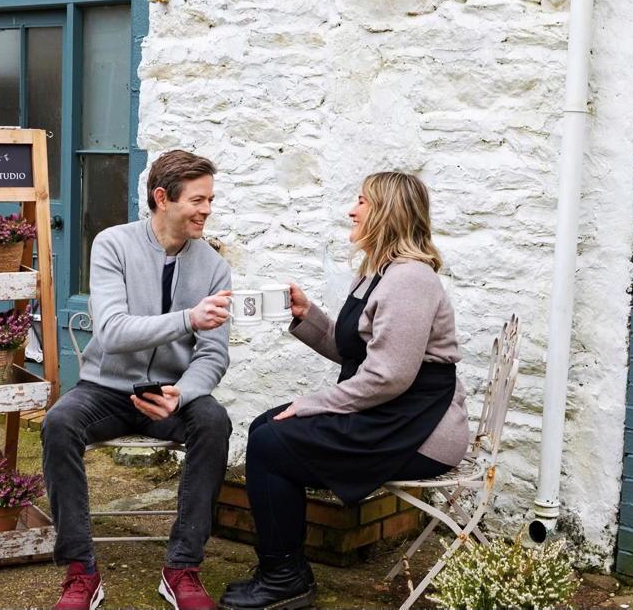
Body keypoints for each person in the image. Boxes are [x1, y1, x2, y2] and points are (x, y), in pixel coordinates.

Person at [219, 171, 470, 610]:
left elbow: (390, 375)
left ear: (387, 213)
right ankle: (284, 570)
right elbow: (353, 351)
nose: (352, 211)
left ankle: (284, 578)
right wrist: (307, 314)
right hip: (392, 413)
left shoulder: (410, 279)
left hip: (420, 428)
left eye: (362, 202)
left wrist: (312, 404)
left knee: (270, 444)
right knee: (264, 428)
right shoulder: (377, 273)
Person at [42, 149, 233, 610]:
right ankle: (81, 571)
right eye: (198, 200)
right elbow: (111, 331)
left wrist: (181, 394)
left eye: (210, 200)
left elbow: (213, 354)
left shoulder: (214, 267)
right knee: (59, 424)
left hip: (171, 393)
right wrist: (187, 318)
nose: (207, 210)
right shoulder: (113, 244)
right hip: (105, 390)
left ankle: (182, 568)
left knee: (214, 421)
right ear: (162, 198)